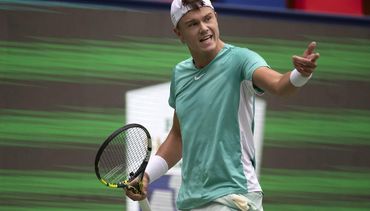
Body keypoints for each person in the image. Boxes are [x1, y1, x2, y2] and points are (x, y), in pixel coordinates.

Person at [126, 0, 320, 210]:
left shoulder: (241, 60)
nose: (203, 28)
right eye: (192, 24)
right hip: (191, 201)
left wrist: (300, 75)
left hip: (234, 197)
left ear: (216, 18)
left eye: (207, 19)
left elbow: (279, 85)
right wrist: (146, 175)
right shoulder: (180, 74)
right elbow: (179, 136)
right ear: (179, 33)